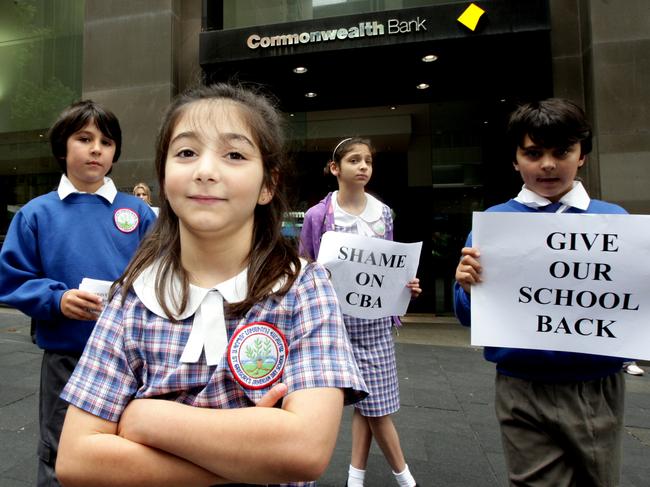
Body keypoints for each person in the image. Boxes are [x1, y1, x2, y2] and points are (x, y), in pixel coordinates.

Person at [55, 83, 367, 487]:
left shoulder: (303, 288)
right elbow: (77, 459)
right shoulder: (133, 297)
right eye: (186, 152)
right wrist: (249, 456)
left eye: (234, 155)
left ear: (268, 185)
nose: (205, 170)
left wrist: (146, 418)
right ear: (164, 174)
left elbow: (304, 450)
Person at [454, 98, 628, 486]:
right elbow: (469, 316)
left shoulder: (614, 222)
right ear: (516, 160)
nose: (548, 164)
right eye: (533, 153)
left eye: (561, 151)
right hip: (522, 384)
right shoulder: (495, 223)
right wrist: (466, 286)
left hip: (596, 384)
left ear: (582, 155)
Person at [0, 100, 156, 487]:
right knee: (60, 453)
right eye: (84, 138)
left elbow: (162, 273)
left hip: (132, 360)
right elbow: (11, 277)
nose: (96, 148)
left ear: (116, 151)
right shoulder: (37, 214)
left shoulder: (138, 212)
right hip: (66, 357)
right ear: (62, 148)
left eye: (106, 141)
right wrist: (56, 299)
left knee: (129, 450)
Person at [300, 137, 421, 487]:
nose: (363, 166)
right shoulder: (318, 216)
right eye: (354, 160)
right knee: (367, 405)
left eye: (368, 160)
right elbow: (305, 264)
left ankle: (367, 477)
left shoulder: (383, 213)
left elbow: (390, 268)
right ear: (335, 168)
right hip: (335, 323)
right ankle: (393, 478)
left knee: (375, 406)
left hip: (374, 324)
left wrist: (406, 287)